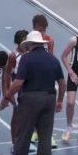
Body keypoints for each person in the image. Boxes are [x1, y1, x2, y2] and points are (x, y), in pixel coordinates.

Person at [0, 30, 66, 155]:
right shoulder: (53, 60)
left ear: (30, 44)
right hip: (49, 99)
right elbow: (62, 84)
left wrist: (6, 98)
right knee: (45, 139)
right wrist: (60, 101)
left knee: (23, 138)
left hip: (30, 99)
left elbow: (18, 82)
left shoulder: (26, 59)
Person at [3, 30, 36, 153]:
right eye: (23, 39)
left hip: (30, 88)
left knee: (29, 117)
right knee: (16, 116)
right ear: (18, 41)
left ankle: (25, 142)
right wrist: (7, 93)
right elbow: (6, 75)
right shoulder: (13, 56)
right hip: (18, 89)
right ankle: (14, 143)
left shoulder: (31, 54)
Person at [30, 14, 57, 148]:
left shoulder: (50, 41)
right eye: (39, 30)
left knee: (47, 109)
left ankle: (48, 135)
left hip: (46, 79)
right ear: (33, 28)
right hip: (34, 79)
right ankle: (35, 131)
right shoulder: (29, 40)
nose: (41, 33)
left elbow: (51, 59)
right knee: (35, 108)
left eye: (43, 30)